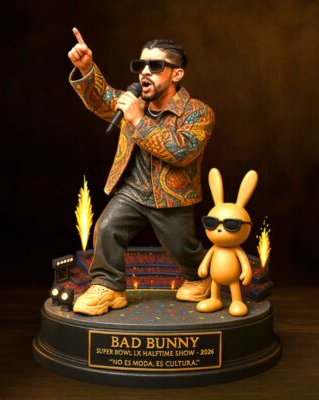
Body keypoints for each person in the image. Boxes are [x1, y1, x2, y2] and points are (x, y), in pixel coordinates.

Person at [68, 27, 215, 316]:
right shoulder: (133, 103)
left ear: (177, 74)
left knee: (182, 248)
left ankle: (199, 276)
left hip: (171, 197)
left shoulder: (198, 113)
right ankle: (108, 286)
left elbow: (182, 152)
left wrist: (139, 121)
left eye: (156, 65)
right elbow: (103, 98)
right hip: (132, 191)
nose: (145, 72)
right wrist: (86, 68)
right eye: (141, 65)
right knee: (106, 228)